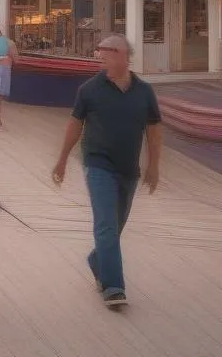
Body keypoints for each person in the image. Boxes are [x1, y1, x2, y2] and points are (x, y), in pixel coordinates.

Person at [52, 33, 162, 309]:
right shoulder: (89, 90)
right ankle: (113, 286)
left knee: (116, 226)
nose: (101, 55)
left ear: (125, 55)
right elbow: (75, 125)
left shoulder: (144, 91)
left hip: (129, 167)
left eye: (108, 50)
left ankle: (97, 260)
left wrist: (155, 165)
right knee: (106, 225)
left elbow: (154, 128)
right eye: (100, 50)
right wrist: (63, 159)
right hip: (98, 163)